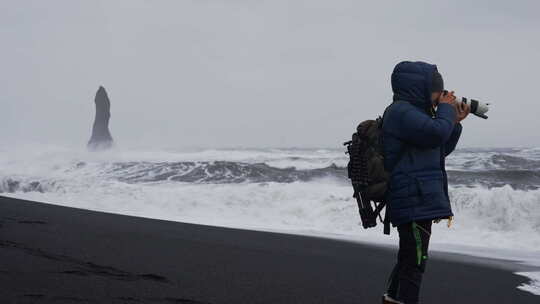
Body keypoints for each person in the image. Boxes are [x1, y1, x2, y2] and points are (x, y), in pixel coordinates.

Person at [380, 61, 470, 304]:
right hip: (411, 198)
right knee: (415, 262)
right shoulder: (401, 112)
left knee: (410, 259)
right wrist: (446, 111)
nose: (440, 94)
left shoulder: (416, 115)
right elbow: (435, 133)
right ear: (418, 88)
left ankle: (391, 299)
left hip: (417, 198)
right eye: (436, 89)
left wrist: (455, 122)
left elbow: (438, 149)